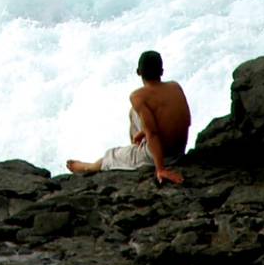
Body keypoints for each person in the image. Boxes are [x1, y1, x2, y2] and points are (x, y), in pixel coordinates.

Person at [65, 50, 189, 185]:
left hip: (162, 157)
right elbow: (185, 121)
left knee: (112, 155)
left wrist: (160, 169)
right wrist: (144, 132)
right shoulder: (175, 87)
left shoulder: (138, 96)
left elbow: (153, 134)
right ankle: (137, 148)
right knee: (134, 112)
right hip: (179, 150)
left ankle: (88, 167)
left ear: (138, 72)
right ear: (162, 71)